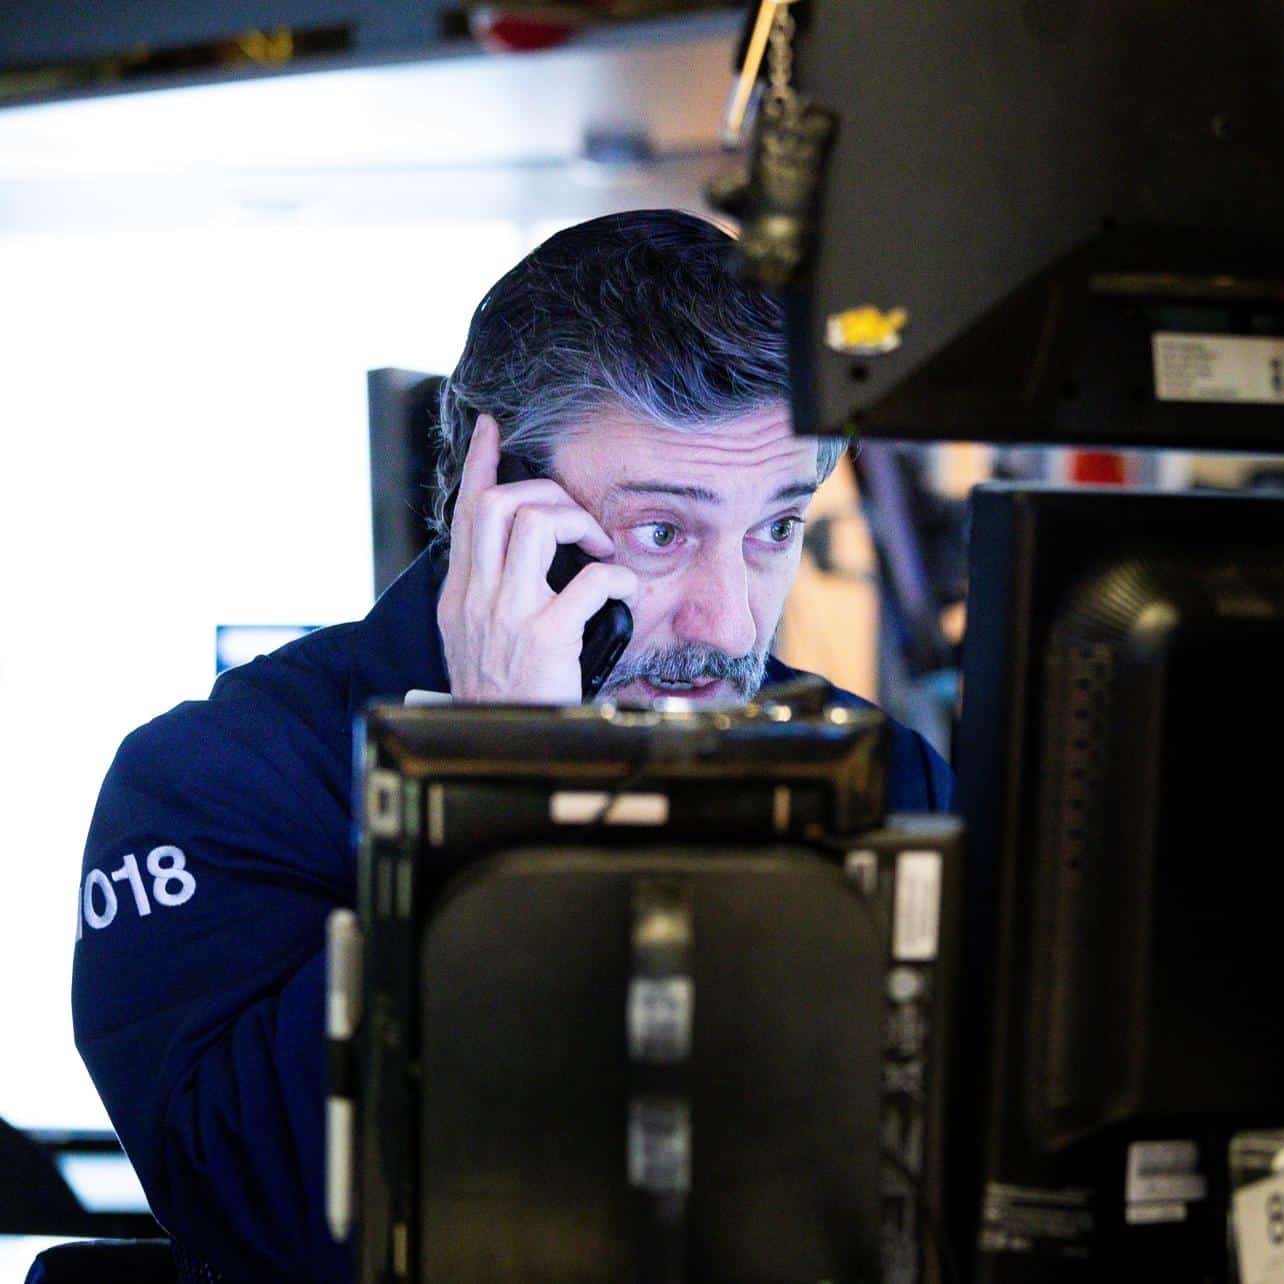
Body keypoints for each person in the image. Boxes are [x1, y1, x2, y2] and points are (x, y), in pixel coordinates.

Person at [71, 210, 953, 1283]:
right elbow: (269, 1224)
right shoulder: (222, 779)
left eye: (775, 527)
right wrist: (498, 780)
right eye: (662, 531)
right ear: (489, 504)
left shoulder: (882, 778)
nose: (728, 623)